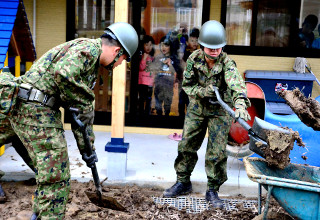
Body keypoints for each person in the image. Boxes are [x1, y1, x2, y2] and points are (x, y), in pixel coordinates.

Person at [0, 22, 138, 219]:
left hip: (28, 107)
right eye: (122, 60)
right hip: (36, 110)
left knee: (47, 171)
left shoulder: (87, 57)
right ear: (117, 51)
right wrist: (86, 103)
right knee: (57, 176)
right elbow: (64, 75)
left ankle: (39, 214)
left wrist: (87, 152)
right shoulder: (89, 50)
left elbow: (78, 117)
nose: (118, 66)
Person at [163, 20, 251, 209]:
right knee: (187, 145)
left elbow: (236, 84)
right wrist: (204, 92)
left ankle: (213, 189)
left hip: (220, 112)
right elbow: (187, 86)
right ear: (202, 45)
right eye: (210, 48)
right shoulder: (194, 59)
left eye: (218, 48)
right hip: (197, 109)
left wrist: (241, 104)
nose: (214, 51)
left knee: (216, 153)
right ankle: (183, 182)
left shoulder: (227, 63)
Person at [148, 34, 182, 116]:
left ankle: (166, 116)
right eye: (162, 45)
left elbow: (177, 71)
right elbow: (152, 68)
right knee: (158, 105)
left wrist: (170, 64)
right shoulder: (158, 57)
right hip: (159, 85)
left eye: (166, 45)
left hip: (169, 85)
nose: (163, 47)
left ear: (170, 46)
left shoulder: (174, 58)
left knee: (167, 104)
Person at [138, 35, 155, 116]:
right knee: (141, 99)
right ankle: (141, 114)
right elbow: (141, 67)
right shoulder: (141, 57)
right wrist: (144, 58)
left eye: (150, 45)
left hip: (150, 83)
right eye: (146, 45)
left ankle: (147, 114)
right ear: (143, 45)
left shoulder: (152, 58)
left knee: (149, 99)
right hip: (142, 82)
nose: (148, 47)